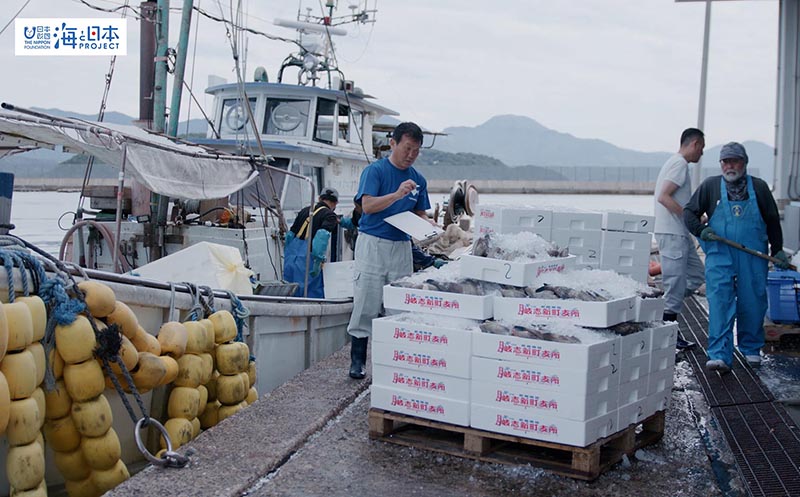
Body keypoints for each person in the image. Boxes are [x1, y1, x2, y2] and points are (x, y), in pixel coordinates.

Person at [684, 142, 790, 374]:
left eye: (735, 160)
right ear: (721, 164)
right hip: (720, 255)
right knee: (720, 302)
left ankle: (751, 347)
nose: (730, 165)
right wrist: (701, 230)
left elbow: (772, 220)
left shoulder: (760, 188)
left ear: (745, 163)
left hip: (752, 256)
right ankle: (719, 354)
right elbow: (689, 212)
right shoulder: (710, 186)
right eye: (725, 161)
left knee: (753, 301)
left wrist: (778, 249)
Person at [347, 122, 431, 379]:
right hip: (373, 242)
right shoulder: (375, 171)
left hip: (401, 245)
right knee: (366, 301)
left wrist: (428, 228)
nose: (410, 155)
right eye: (407, 148)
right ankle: (358, 361)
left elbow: (420, 212)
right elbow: (368, 206)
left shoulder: (419, 179)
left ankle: (397, 359)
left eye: (416, 151)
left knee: (399, 303)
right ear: (393, 143)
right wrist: (396, 194)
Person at [653, 128, 706, 350]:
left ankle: (659, 308)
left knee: (697, 274)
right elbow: (663, 196)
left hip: (680, 233)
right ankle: (668, 337)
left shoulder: (675, 163)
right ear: (694, 144)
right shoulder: (680, 164)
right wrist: (689, 217)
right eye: (701, 149)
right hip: (673, 233)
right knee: (675, 285)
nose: (701, 154)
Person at [283, 187, 343, 298]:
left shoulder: (305, 210)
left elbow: (290, 235)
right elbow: (321, 237)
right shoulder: (330, 215)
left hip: (291, 257)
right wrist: (317, 260)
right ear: (335, 203)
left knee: (290, 290)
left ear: (320, 198)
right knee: (311, 292)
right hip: (307, 259)